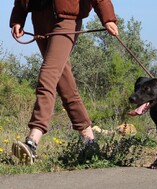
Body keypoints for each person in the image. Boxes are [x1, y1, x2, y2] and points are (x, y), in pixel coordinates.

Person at [10, 0, 118, 165]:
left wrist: (108, 18)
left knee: (47, 76)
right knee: (64, 84)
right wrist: (18, 18)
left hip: (66, 19)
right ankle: (90, 142)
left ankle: (33, 140)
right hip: (39, 19)